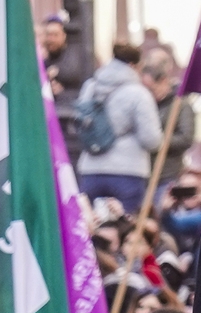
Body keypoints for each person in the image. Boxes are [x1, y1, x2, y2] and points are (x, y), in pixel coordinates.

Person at [71, 42, 165, 212]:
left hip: (90, 168)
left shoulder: (90, 87)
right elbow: (150, 140)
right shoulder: (139, 94)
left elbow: (80, 124)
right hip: (128, 171)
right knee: (125, 227)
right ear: (133, 65)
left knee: (89, 227)